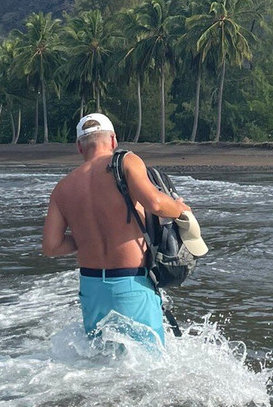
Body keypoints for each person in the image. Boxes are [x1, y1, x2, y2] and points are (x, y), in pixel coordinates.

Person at [42, 112, 191, 345]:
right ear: (113, 140)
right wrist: (181, 209)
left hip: (91, 287)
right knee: (148, 366)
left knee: (101, 362)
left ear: (80, 147)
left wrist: (86, 236)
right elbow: (156, 203)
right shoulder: (126, 161)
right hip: (130, 283)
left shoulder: (62, 188)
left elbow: (51, 246)